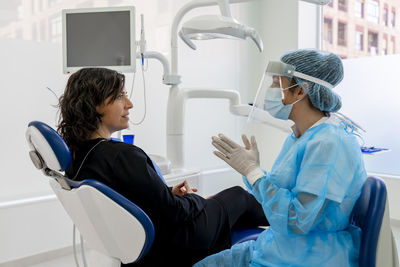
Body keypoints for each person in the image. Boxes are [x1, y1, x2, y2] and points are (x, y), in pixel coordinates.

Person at [57, 67, 268, 267]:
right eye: (120, 96)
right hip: (178, 242)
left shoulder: (79, 157)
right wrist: (196, 199)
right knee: (239, 196)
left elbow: (125, 198)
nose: (129, 104)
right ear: (95, 104)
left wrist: (169, 193)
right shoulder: (122, 155)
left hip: (146, 247)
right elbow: (174, 211)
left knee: (230, 205)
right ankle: (291, 226)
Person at [194, 49, 367, 267]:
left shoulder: (329, 143)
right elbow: (281, 195)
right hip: (281, 246)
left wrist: (254, 173)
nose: (270, 90)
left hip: (309, 256)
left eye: (277, 83)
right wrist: (253, 170)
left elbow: (297, 219)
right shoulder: (300, 136)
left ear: (300, 92)